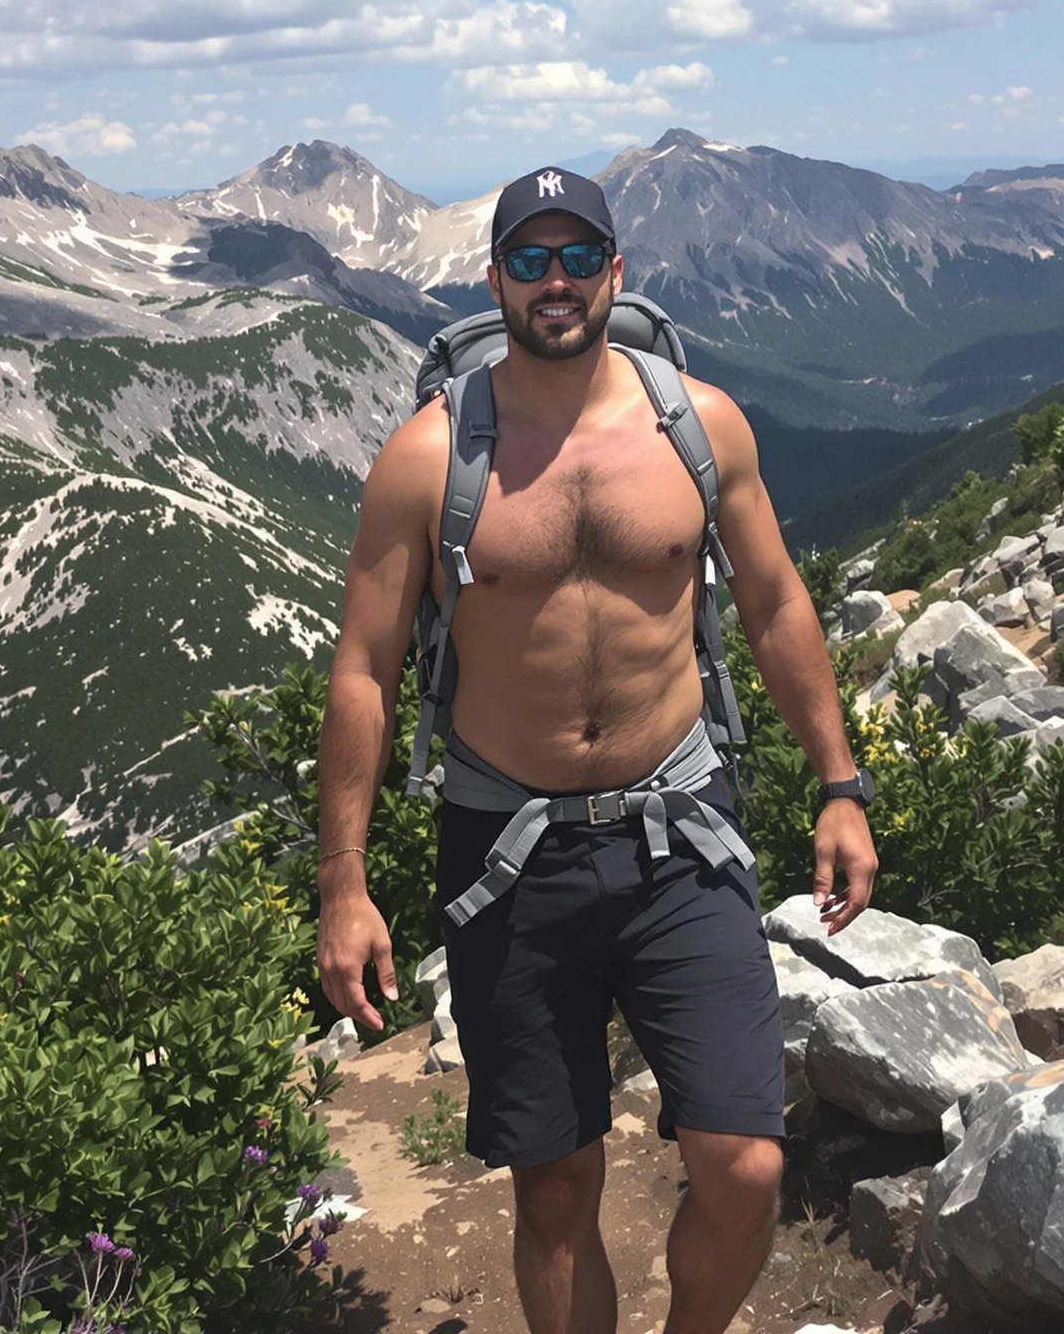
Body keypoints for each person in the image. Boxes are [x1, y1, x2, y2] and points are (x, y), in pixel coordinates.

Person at [317, 165, 877, 1334]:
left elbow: (774, 603)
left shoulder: (697, 422)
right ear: (495, 282)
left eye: (578, 258)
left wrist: (840, 784)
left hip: (681, 827)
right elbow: (364, 669)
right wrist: (344, 883)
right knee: (557, 1188)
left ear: (616, 273)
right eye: (530, 260)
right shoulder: (427, 456)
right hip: (508, 853)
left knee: (743, 1165)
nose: (555, 281)